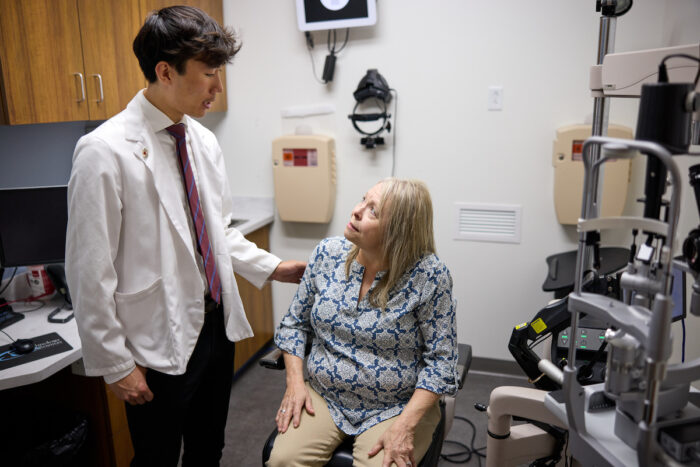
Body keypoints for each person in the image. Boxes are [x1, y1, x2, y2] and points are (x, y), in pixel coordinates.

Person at [65, 6, 305, 466]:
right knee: (155, 457)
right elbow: (87, 271)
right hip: (156, 339)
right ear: (164, 71)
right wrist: (116, 364)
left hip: (214, 328)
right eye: (210, 74)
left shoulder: (201, 140)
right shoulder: (103, 151)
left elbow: (217, 234)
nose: (218, 87)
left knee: (206, 449)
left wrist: (276, 268)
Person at [268, 178, 458, 467]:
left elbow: (442, 362)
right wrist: (295, 383)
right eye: (363, 200)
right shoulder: (327, 254)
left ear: (398, 233)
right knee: (283, 460)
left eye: (374, 211)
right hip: (325, 395)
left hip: (396, 405)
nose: (356, 211)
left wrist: (406, 425)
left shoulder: (430, 276)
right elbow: (294, 324)